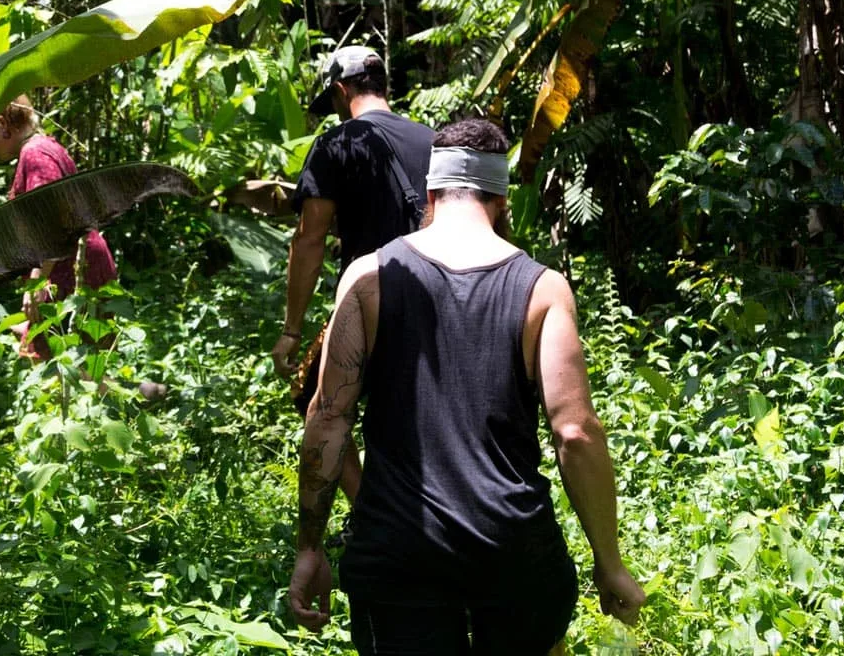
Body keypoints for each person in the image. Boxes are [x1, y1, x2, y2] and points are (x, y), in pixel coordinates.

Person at [287, 118, 645, 654]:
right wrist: (609, 562)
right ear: (501, 200)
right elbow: (574, 432)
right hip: (515, 553)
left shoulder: (366, 278)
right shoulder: (544, 290)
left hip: (399, 555)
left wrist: (310, 547)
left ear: (430, 193)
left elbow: (328, 418)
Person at [271, 45, 434, 503]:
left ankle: (368, 510)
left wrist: (291, 329)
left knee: (317, 405)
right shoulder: (433, 140)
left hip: (366, 303)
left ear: (342, 91)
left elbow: (310, 239)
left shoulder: (336, 144)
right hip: (436, 299)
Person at [0, 95, 165, 399]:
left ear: (2, 126)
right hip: (76, 262)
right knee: (82, 364)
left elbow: (55, 220)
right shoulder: (45, 148)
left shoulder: (35, 154)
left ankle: (137, 399)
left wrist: (38, 282)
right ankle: (141, 396)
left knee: (68, 369)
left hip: (72, 269)